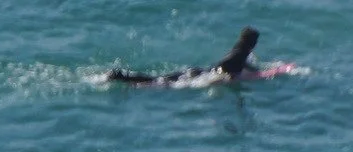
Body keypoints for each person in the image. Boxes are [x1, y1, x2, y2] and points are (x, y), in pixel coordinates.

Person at [109, 27, 261, 86]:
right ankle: (122, 76)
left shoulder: (240, 49)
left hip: (198, 71)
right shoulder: (240, 52)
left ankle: (123, 76)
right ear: (252, 42)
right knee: (159, 82)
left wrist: (256, 71)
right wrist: (223, 75)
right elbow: (225, 63)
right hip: (201, 75)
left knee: (159, 79)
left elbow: (239, 63)